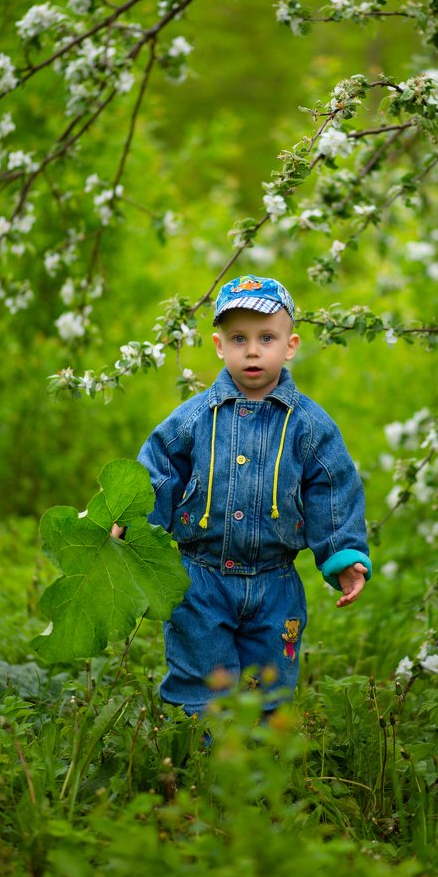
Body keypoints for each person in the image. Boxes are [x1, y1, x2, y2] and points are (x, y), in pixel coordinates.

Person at [115, 274, 371, 716]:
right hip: (200, 579)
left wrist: (343, 555)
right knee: (200, 683)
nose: (252, 350)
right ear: (219, 346)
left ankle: (260, 754)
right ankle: (203, 749)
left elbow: (332, 487)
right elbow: (158, 469)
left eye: (266, 338)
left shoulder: (309, 426)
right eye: (239, 338)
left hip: (276, 582)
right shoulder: (196, 417)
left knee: (268, 688)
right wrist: (130, 518)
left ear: (290, 346)